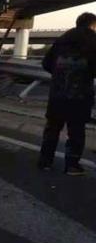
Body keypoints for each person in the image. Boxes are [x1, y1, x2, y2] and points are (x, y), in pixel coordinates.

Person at [39, 12, 96, 176]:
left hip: (57, 93)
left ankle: (45, 162)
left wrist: (59, 76)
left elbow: (46, 63)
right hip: (79, 95)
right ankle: (72, 165)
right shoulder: (92, 40)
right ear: (92, 25)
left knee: (52, 128)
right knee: (76, 130)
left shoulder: (62, 39)